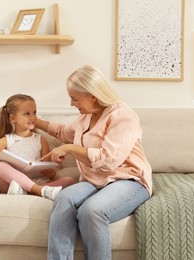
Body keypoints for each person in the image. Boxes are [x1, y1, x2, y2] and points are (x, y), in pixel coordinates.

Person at [36, 65, 153, 259]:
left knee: (92, 211)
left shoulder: (122, 115)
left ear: (92, 96)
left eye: (74, 98)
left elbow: (109, 160)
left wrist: (70, 149)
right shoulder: (86, 117)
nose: (71, 104)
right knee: (63, 199)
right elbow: (64, 133)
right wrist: (35, 121)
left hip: (128, 180)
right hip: (94, 181)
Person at [0, 94, 75, 200]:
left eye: (34, 112)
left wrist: (51, 173)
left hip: (37, 181)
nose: (32, 117)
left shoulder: (40, 140)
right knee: (0, 166)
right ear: (12, 118)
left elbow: (46, 166)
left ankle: (32, 191)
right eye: (27, 114)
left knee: (69, 180)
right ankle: (39, 191)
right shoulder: (6, 140)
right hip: (12, 186)